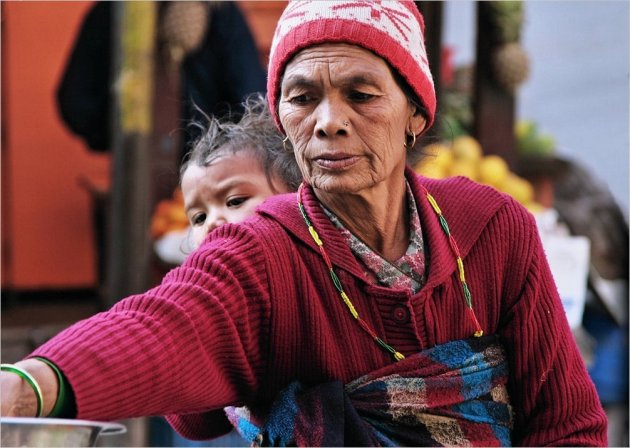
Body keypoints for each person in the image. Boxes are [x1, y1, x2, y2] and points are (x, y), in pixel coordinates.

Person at [1, 1, 607, 446]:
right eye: (302, 97)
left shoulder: (493, 226)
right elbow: (162, 326)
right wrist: (29, 384)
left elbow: (568, 424)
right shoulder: (260, 249)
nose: (327, 121)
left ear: (415, 113)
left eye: (361, 95)